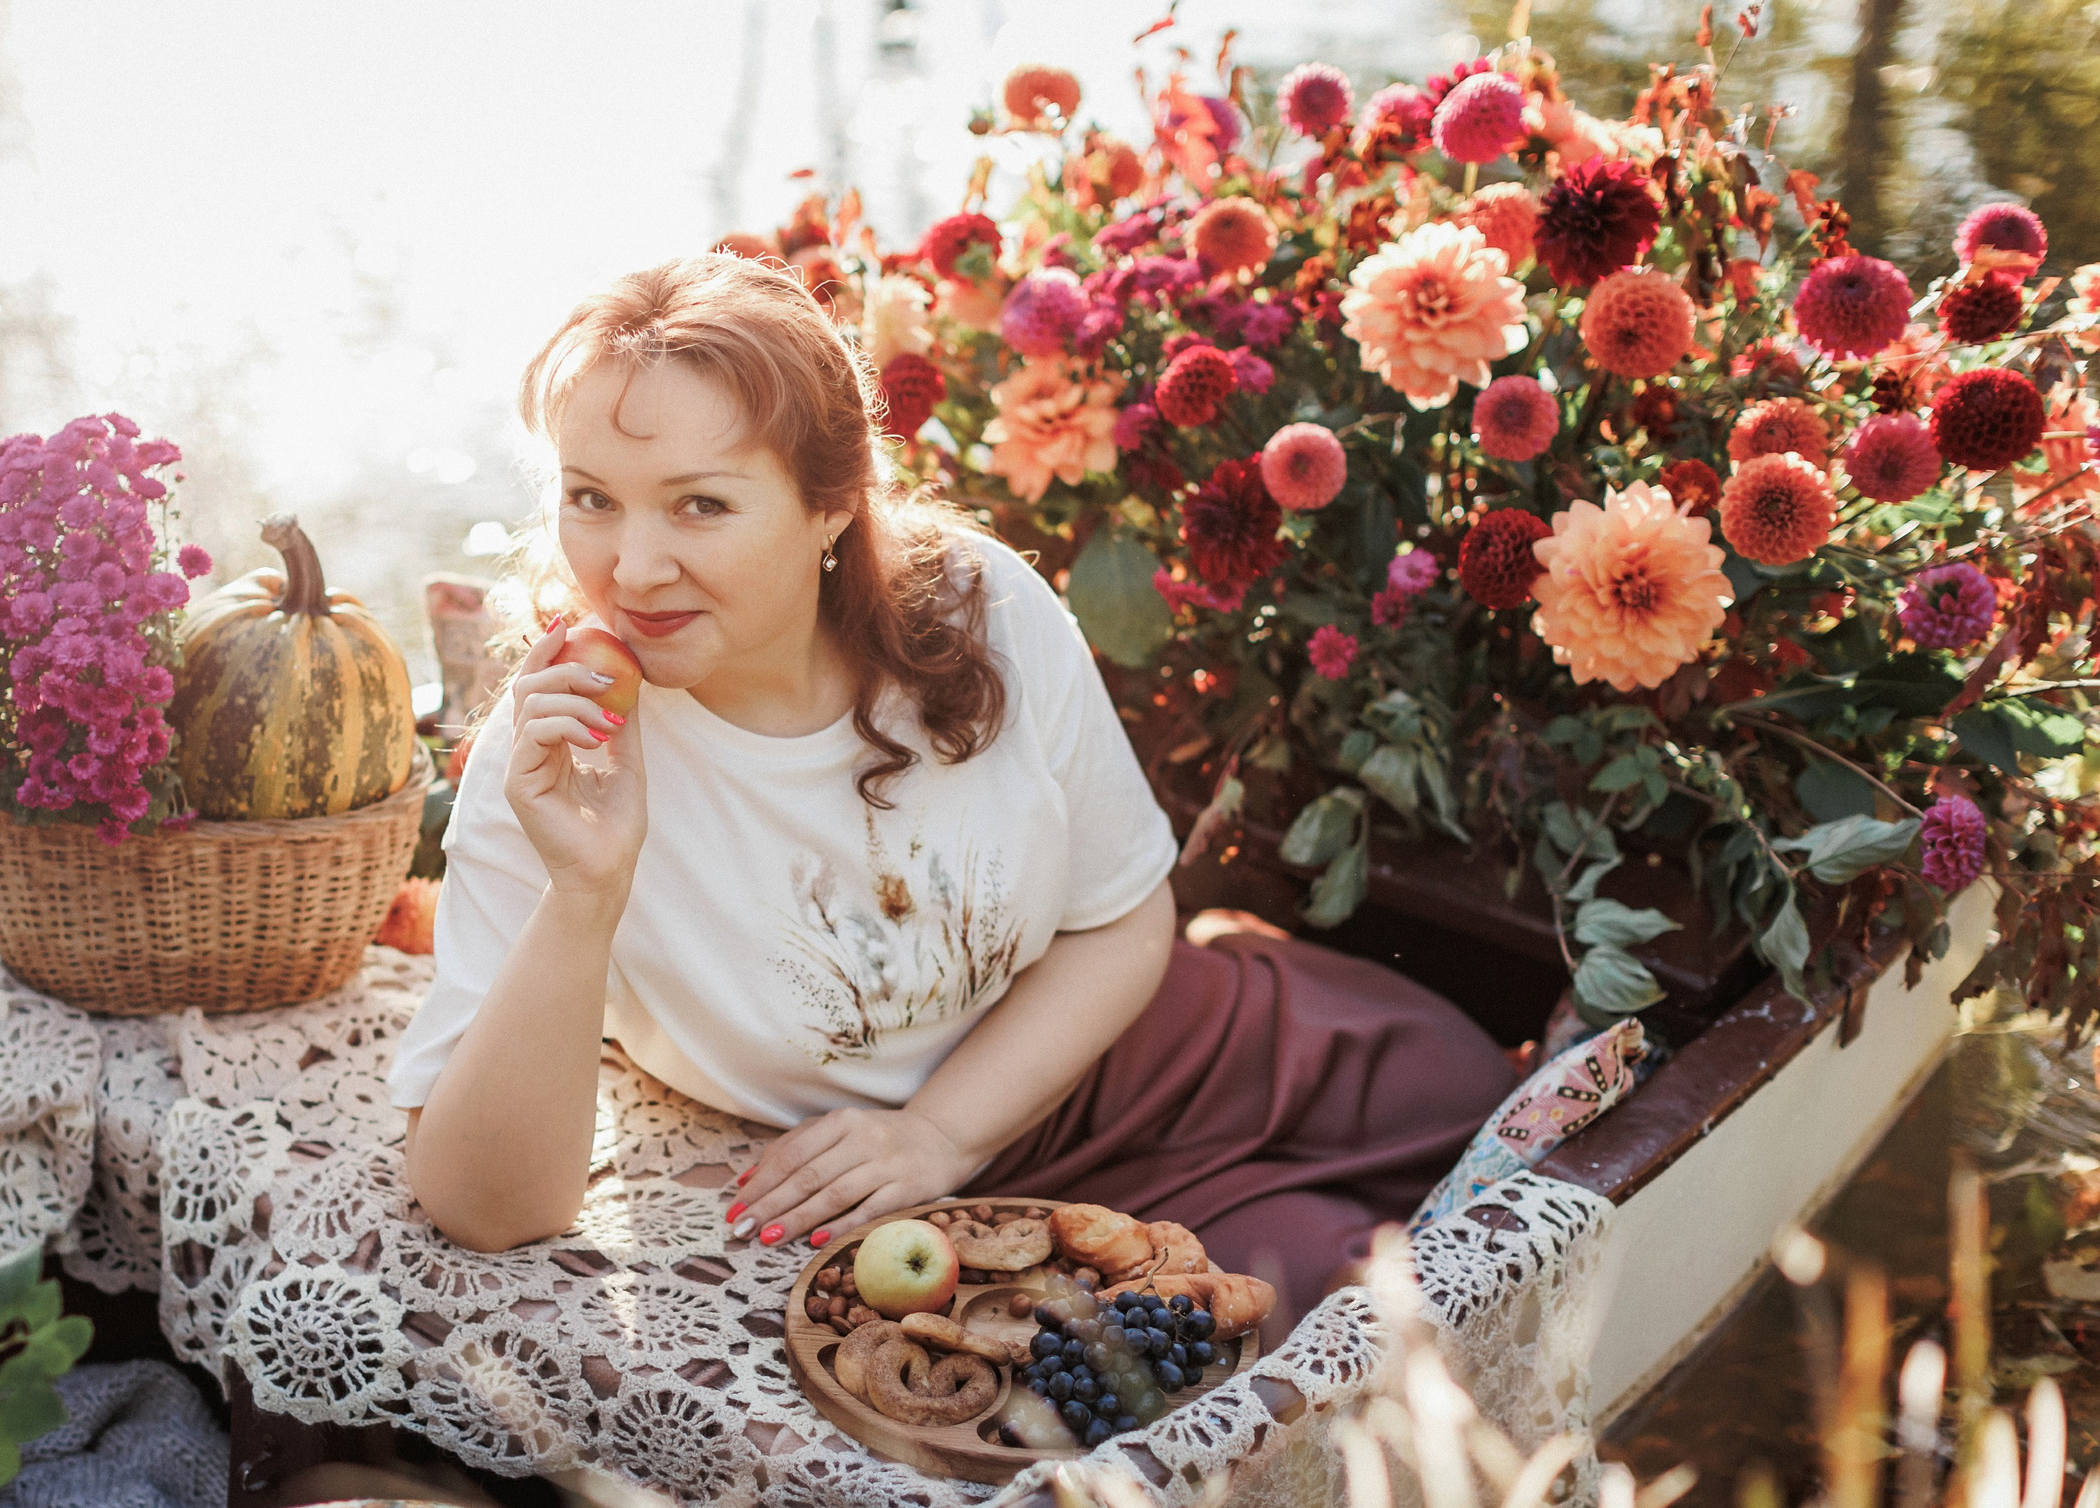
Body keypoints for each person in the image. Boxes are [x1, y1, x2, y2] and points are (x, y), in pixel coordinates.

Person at [386, 251, 1516, 1340]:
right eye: (591, 498)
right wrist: (585, 890)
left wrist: (938, 1130)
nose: (630, 569)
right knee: (1323, 1309)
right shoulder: (556, 761)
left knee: (1475, 1103)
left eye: (699, 507)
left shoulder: (980, 608)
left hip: (1162, 1058)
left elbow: (1122, 917)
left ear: (831, 503)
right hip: (966, 1218)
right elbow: (490, 1209)